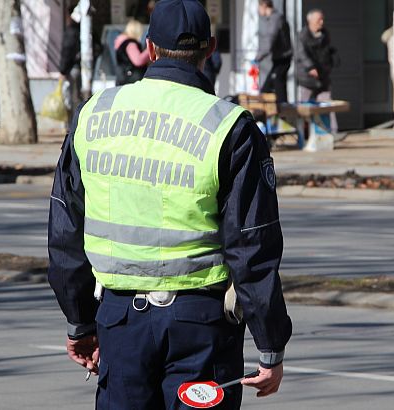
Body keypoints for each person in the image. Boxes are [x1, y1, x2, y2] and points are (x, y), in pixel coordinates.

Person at [47, 0, 292, 409]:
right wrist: (270, 345)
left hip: (120, 321)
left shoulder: (93, 114)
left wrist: (79, 321)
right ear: (209, 49)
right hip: (201, 326)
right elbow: (252, 246)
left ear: (151, 48)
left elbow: (64, 231)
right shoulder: (229, 126)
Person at [295, 8, 339, 133]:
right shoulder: (302, 36)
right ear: (310, 21)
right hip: (307, 78)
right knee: (305, 107)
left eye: (322, 19)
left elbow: (327, 51)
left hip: (323, 76)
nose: (322, 22)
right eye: (319, 19)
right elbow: (301, 54)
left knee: (327, 105)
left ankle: (332, 131)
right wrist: (310, 67)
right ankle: (303, 133)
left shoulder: (325, 34)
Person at [255, 0, 293, 104]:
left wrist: (258, 57)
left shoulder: (275, 19)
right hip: (279, 59)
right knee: (272, 86)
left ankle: (282, 114)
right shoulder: (273, 18)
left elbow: (269, 40)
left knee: (275, 86)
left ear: (264, 5)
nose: (258, 10)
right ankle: (278, 112)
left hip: (283, 59)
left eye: (258, 7)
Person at [59, 5, 81, 125]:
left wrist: (62, 70)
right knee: (77, 97)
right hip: (80, 68)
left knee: (71, 98)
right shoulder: (84, 30)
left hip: (72, 69)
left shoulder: (71, 31)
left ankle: (73, 124)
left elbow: (67, 51)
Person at [114, 19, 150, 86]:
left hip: (123, 79)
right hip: (132, 81)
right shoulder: (130, 44)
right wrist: (149, 50)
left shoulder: (122, 43)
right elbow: (138, 61)